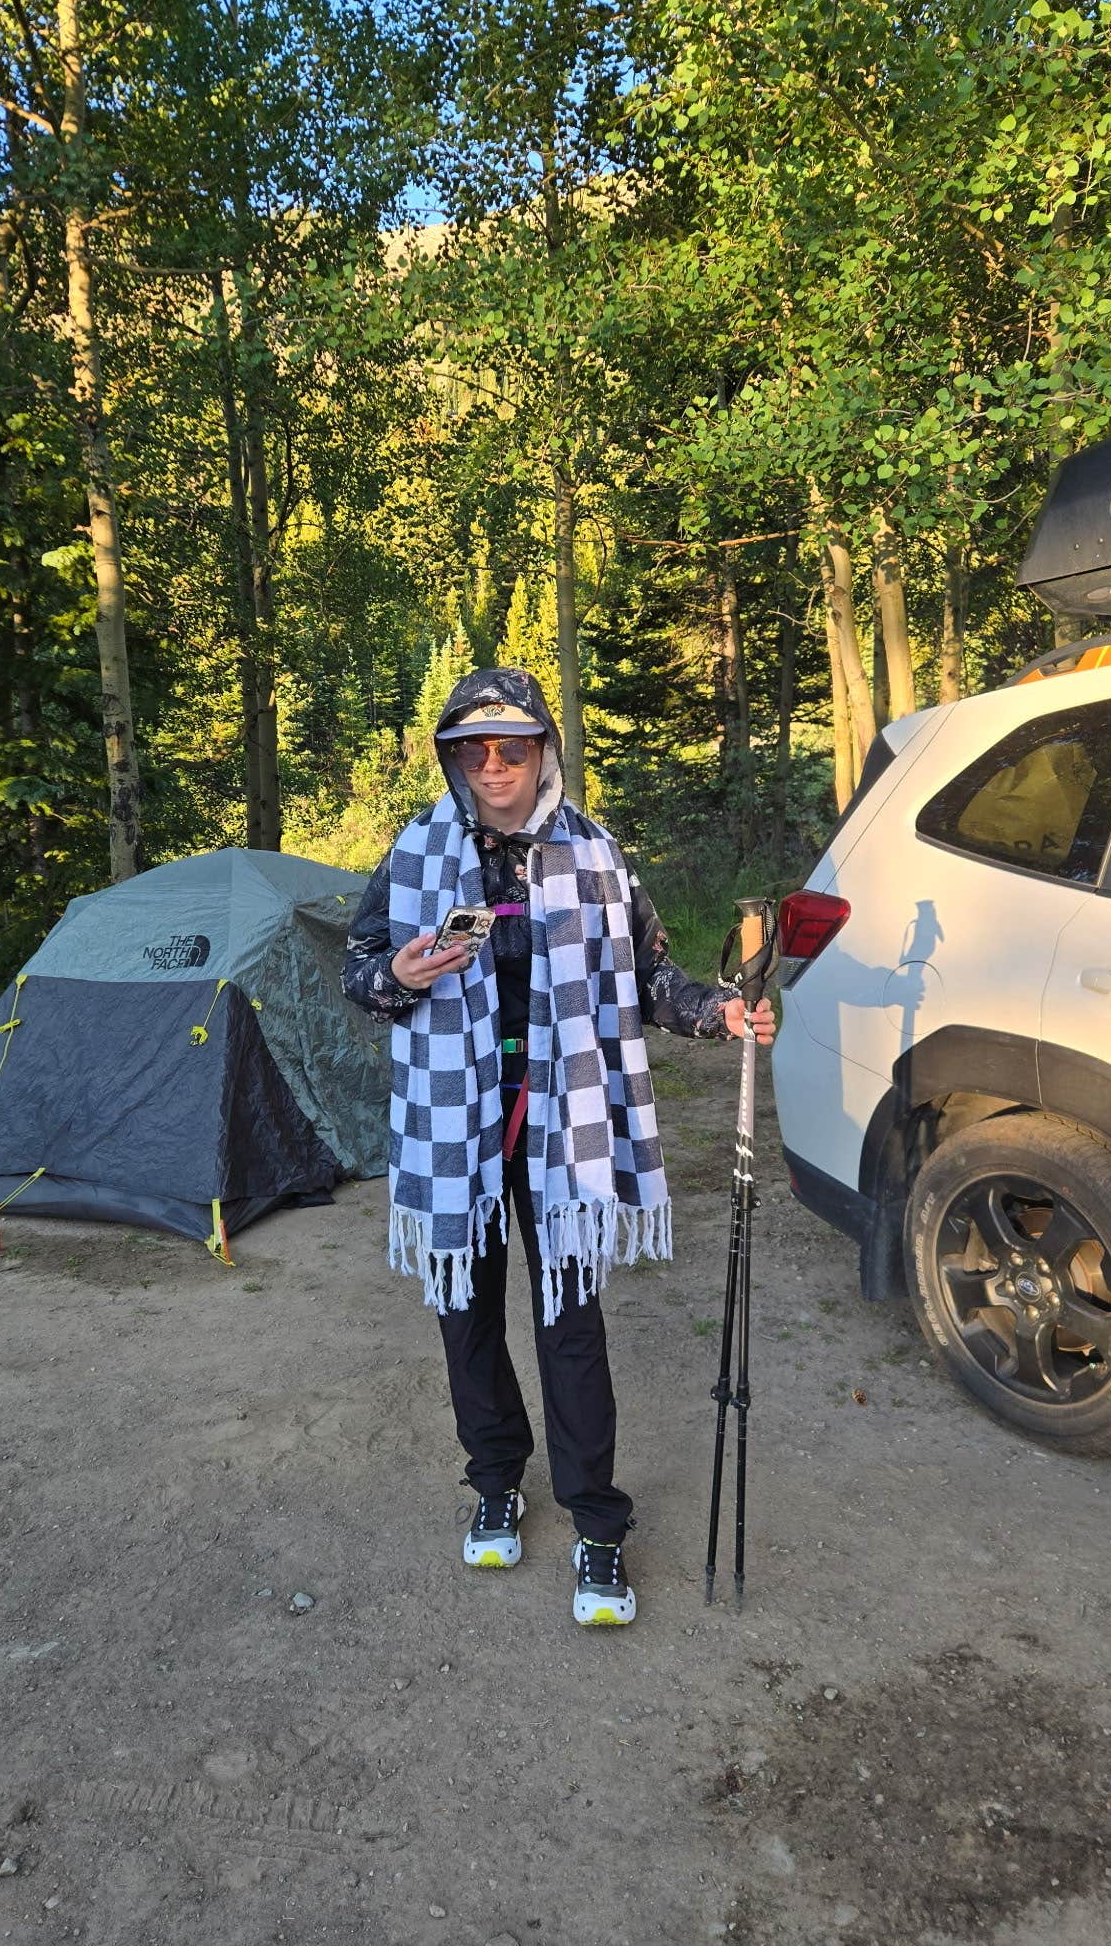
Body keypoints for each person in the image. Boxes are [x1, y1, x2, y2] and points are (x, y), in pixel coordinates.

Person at [342, 666, 775, 1627]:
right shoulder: (415, 850)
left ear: (545, 752)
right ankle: (494, 1478)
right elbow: (360, 973)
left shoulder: (594, 855)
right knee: (468, 1318)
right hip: (457, 1129)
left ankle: (596, 1525)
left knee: (569, 1326)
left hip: (562, 1128)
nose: (493, 767)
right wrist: (402, 974)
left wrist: (722, 1015)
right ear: (450, 758)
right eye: (473, 750)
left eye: (513, 747)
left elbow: (649, 975)